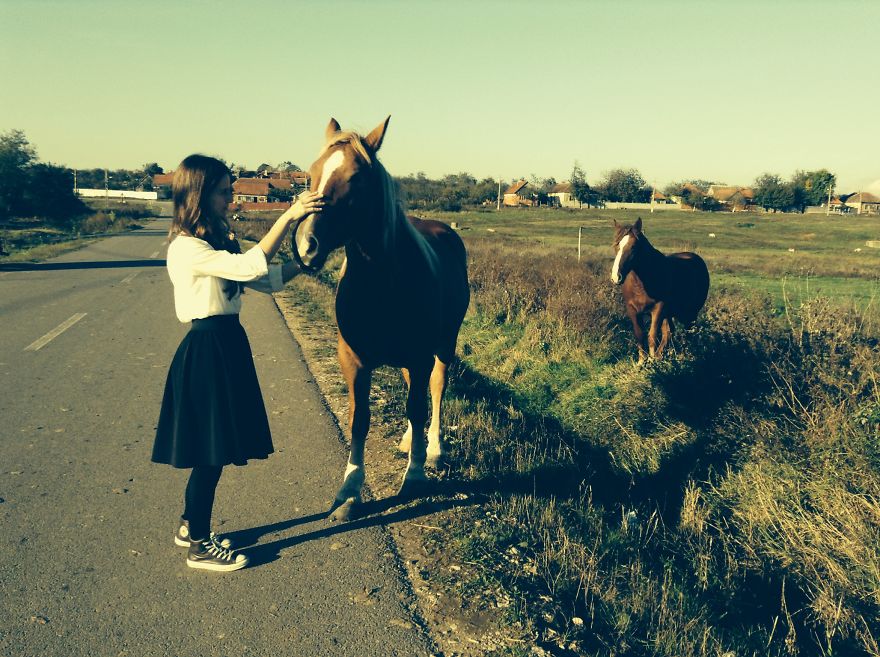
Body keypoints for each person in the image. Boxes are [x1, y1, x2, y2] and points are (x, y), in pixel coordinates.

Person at [151, 154, 323, 572]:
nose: (231, 199)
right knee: (210, 453)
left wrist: (306, 265)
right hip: (207, 348)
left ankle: (190, 525)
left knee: (215, 449)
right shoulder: (187, 248)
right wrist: (289, 216)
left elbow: (264, 280)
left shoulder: (216, 243)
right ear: (200, 194)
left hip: (226, 345)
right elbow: (251, 264)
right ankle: (200, 547)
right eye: (225, 191)